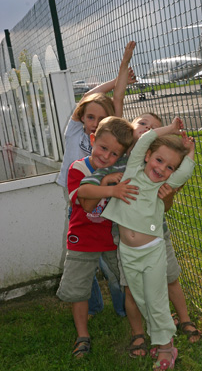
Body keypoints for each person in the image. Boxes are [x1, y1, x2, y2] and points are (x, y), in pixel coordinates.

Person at [78, 112, 202, 357]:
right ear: (147, 156)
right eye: (158, 160)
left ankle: (166, 348)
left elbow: (185, 171)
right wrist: (169, 128)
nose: (161, 168)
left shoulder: (162, 185)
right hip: (127, 252)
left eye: (169, 167)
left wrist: (190, 150)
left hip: (152, 251)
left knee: (155, 300)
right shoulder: (132, 170)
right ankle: (163, 330)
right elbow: (145, 140)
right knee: (140, 298)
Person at [56, 41, 136, 318]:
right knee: (81, 259)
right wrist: (115, 78)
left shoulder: (110, 139)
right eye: (90, 116)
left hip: (107, 205)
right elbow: (87, 98)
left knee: (112, 259)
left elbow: (120, 99)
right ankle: (91, 305)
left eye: (101, 118)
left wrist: (125, 67)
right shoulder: (75, 133)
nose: (94, 121)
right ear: (82, 118)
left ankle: (122, 308)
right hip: (78, 202)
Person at [56, 116, 138, 358]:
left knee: (126, 280)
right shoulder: (78, 168)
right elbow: (87, 203)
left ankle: (138, 319)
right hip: (82, 238)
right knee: (78, 288)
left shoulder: (121, 168)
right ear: (92, 140)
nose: (106, 156)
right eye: (103, 148)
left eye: (114, 154)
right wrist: (108, 186)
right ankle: (83, 335)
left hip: (112, 237)